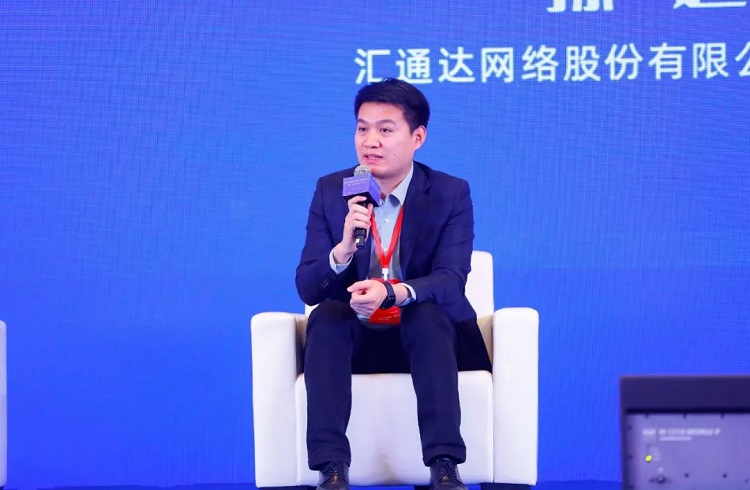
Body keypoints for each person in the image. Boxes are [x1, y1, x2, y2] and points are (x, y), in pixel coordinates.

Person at [295, 78, 491, 490]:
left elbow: (451, 280)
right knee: (327, 316)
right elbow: (308, 287)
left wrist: (394, 292)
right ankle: (331, 469)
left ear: (417, 137)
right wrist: (343, 249)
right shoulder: (332, 191)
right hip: (356, 341)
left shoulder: (449, 193)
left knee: (427, 315)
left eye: (385, 129)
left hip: (427, 340)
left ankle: (444, 467)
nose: (371, 141)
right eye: (362, 128)